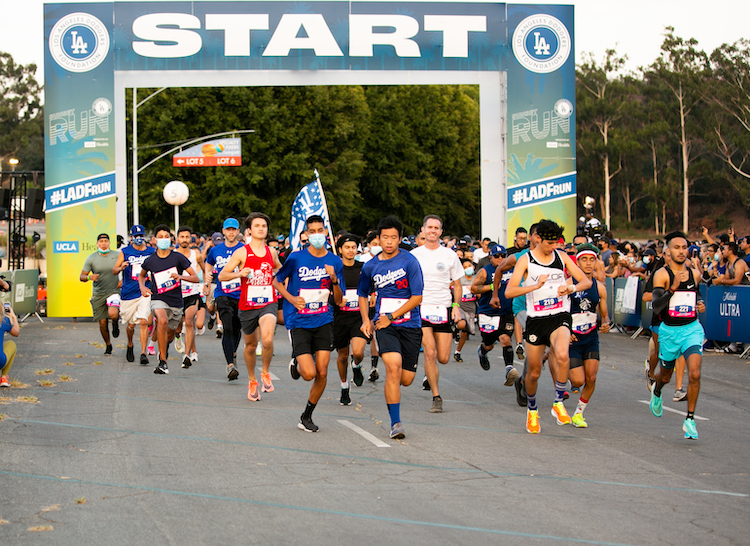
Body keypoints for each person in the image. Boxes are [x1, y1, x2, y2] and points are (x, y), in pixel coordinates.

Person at [505, 220, 592, 434]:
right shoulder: (526, 260)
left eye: (556, 243)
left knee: (562, 354)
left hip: (559, 315)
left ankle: (557, 403)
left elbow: (585, 282)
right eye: (549, 243)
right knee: (533, 373)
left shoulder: (561, 257)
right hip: (536, 319)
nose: (553, 247)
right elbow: (509, 291)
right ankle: (532, 411)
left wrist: (570, 287)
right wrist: (535, 286)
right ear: (538, 239)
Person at [274, 215, 344, 432]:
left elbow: (340, 300)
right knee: (309, 374)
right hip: (300, 320)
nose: (316, 235)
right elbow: (276, 281)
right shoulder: (296, 258)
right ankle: (297, 361)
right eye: (312, 231)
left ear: (326, 232)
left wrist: (333, 280)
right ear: (306, 234)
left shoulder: (335, 261)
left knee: (322, 373)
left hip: (324, 319)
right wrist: (292, 298)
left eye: (319, 230)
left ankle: (307, 415)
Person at [358, 216, 423, 439]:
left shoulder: (409, 261)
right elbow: (362, 294)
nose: (389, 242)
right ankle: (396, 423)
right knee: (392, 368)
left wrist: (393, 315)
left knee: (406, 379)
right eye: (385, 237)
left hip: (410, 324)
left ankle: (395, 408)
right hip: (384, 326)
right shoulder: (371, 265)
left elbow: (417, 297)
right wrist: (367, 320)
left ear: (399, 239)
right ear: (379, 238)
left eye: (393, 238)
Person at [648, 231, 706, 440]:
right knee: (665, 375)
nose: (681, 251)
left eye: (684, 247)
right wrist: (672, 289)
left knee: (695, 373)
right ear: (668, 251)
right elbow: (655, 307)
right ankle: (657, 391)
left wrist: (700, 303)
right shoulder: (662, 274)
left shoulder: (694, 273)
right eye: (676, 248)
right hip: (669, 331)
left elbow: (695, 294)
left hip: (691, 328)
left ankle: (690, 419)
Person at [219, 212, 282, 401]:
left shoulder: (271, 252)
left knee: (268, 339)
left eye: (264, 226)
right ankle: (252, 379)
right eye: (257, 226)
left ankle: (265, 372)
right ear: (250, 230)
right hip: (247, 305)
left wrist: (276, 279)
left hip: (268, 302)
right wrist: (240, 274)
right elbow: (222, 275)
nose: (261, 228)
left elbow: (279, 267)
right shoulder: (242, 252)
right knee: (250, 346)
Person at [410, 214, 465, 413]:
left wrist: (457, 306)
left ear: (441, 232)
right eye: (429, 227)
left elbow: (457, 284)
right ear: (423, 230)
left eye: (436, 228)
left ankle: (430, 376)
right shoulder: (414, 255)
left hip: (443, 309)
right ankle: (436, 396)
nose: (432, 231)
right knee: (430, 354)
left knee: (443, 357)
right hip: (421, 308)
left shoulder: (449, 255)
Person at [139, 224, 199, 375]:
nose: (164, 239)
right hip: (158, 299)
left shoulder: (178, 258)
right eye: (160, 237)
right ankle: (162, 362)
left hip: (176, 303)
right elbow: (141, 275)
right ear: (154, 240)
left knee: (170, 334)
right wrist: (143, 287)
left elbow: (195, 277)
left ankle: (164, 347)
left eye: (166, 237)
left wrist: (181, 276)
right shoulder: (150, 260)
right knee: (162, 320)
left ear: (171, 239)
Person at [567, 243, 610, 428]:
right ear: (577, 262)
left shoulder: (599, 287)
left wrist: (606, 322)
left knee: (591, 378)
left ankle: (578, 414)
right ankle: (554, 358)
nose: (588, 263)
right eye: (584, 259)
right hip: (572, 339)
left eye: (592, 259)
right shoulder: (569, 284)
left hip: (590, 338)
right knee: (578, 380)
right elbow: (559, 311)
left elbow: (604, 314)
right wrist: (564, 330)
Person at [205, 218, 244, 380]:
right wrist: (207, 278)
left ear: (237, 231)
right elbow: (209, 264)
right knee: (227, 326)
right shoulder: (216, 250)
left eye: (233, 229)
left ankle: (232, 352)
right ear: (223, 231)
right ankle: (230, 364)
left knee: (237, 328)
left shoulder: (243, 249)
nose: (231, 232)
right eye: (228, 229)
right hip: (222, 293)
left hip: (241, 294)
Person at [332, 233, 368, 405]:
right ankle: (344, 386)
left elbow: (371, 288)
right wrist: (336, 300)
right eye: (347, 247)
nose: (351, 250)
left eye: (354, 247)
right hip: (339, 317)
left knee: (358, 352)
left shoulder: (363, 268)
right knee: (342, 356)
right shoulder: (335, 269)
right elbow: (327, 292)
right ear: (340, 250)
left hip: (358, 317)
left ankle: (356, 365)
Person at [112, 224, 155, 364]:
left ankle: (143, 353)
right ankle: (130, 343)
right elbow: (114, 270)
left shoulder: (151, 251)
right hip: (129, 292)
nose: (139, 239)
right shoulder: (125, 251)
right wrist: (121, 267)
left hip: (145, 291)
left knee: (143, 321)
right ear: (131, 238)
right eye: (136, 236)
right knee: (131, 325)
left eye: (141, 236)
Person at [80, 233, 121, 355]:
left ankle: (115, 323)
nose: (104, 243)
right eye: (101, 241)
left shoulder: (117, 255)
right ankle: (108, 345)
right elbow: (81, 276)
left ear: (109, 243)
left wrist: (123, 280)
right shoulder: (91, 258)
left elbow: (127, 268)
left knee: (113, 315)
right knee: (102, 323)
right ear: (97, 243)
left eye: (106, 241)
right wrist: (89, 277)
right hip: (98, 293)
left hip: (114, 291)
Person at [175, 226, 206, 368]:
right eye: (182, 237)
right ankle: (177, 337)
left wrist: (206, 285)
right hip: (175, 294)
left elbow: (205, 270)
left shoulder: (196, 255)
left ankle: (187, 355)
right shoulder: (172, 255)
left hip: (192, 293)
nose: (185, 239)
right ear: (177, 239)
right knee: (177, 326)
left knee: (189, 322)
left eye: (187, 237)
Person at [454, 258, 477, 362]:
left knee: (465, 333)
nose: (468, 268)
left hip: (471, 308)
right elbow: (452, 287)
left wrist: (476, 291)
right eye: (465, 267)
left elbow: (480, 294)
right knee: (462, 324)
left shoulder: (477, 279)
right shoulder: (460, 279)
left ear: (473, 267)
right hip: (461, 306)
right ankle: (455, 328)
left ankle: (458, 352)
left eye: (469, 266)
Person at [0, 303, 20, 388]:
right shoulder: (4, 321)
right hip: (0, 362)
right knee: (11, 344)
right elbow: (16, 333)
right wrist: (14, 317)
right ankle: (3, 378)